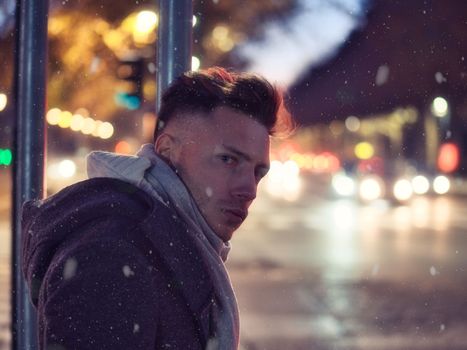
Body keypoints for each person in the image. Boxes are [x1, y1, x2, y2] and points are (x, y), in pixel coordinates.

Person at [22, 67, 292, 349]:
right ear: (166, 151)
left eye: (258, 173)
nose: (249, 190)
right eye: (228, 160)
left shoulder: (157, 241)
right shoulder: (112, 253)